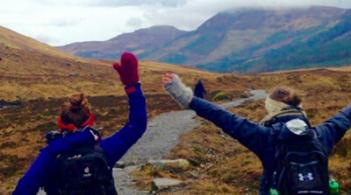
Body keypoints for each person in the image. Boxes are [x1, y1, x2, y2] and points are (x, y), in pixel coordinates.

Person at [162, 73, 351, 195]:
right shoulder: (322, 135)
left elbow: (224, 117)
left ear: (272, 110)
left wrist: (185, 97)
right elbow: (344, 117)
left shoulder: (266, 137)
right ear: (299, 108)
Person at [13, 52, 147, 195]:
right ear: (90, 120)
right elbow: (137, 125)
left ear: (60, 122)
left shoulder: (49, 156)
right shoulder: (104, 150)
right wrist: (132, 86)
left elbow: (23, 190)